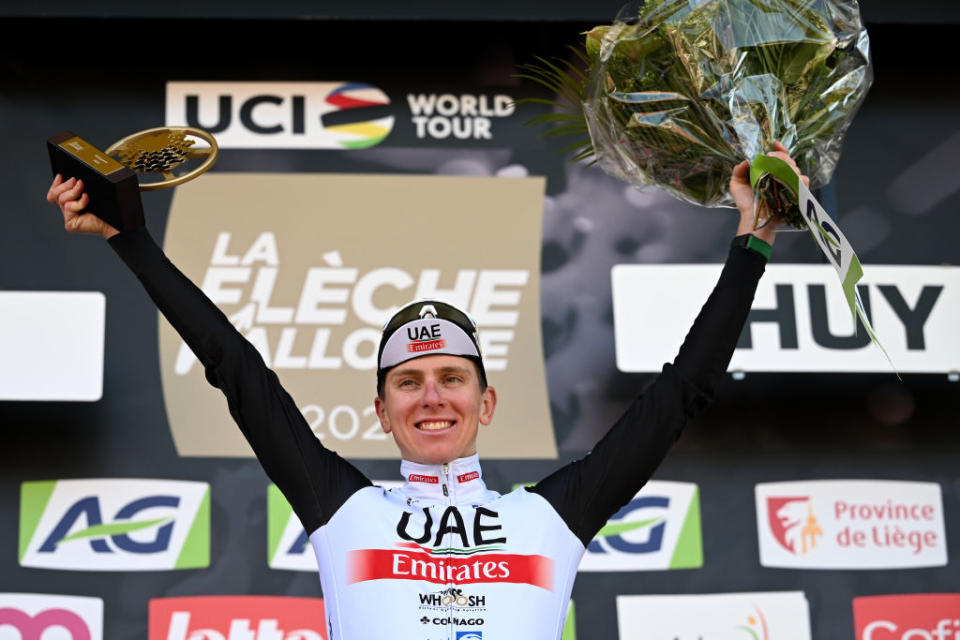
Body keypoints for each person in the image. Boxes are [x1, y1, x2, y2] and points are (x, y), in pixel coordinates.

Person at [46, 144, 807, 640]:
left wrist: (756, 234)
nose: (431, 396)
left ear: (488, 402)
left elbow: (683, 392)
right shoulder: (344, 505)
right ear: (381, 410)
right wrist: (131, 240)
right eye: (407, 382)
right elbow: (234, 368)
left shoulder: (549, 515)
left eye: (451, 377)